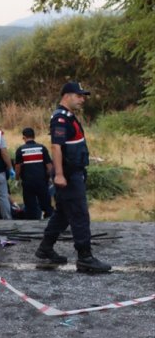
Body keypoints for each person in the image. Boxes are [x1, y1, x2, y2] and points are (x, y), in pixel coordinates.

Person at [35, 83, 111, 273]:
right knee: (79, 214)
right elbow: (56, 147)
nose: (82, 99)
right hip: (67, 174)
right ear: (67, 96)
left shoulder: (68, 117)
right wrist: (59, 174)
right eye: (79, 95)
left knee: (62, 214)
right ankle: (85, 257)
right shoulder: (60, 118)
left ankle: (45, 248)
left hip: (72, 172)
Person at [14, 127, 54, 220]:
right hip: (42, 181)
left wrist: (17, 179)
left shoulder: (21, 150)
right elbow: (49, 165)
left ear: (24, 137)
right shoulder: (42, 148)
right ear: (34, 136)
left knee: (30, 205)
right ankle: (49, 219)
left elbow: (18, 167)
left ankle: (32, 222)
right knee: (46, 203)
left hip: (28, 182)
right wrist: (51, 177)